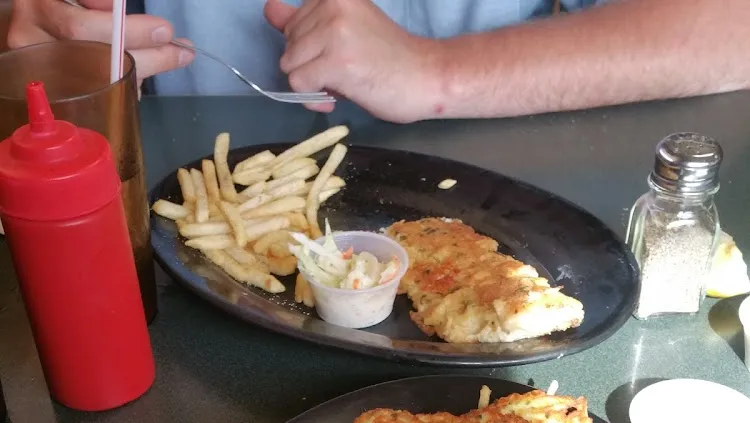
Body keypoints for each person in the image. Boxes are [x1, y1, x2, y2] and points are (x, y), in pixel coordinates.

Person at [7, 0, 750, 123]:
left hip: (500, 201)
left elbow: (730, 27)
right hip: (173, 242)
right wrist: (35, 36)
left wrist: (436, 73)